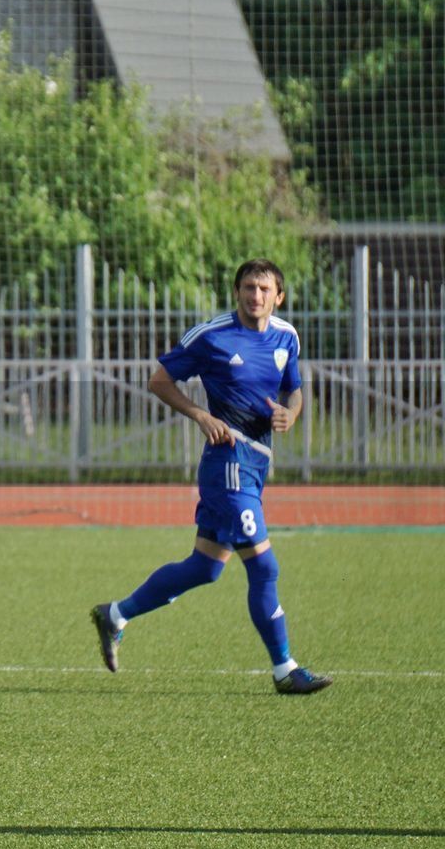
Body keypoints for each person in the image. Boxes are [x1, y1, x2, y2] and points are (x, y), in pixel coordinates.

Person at [89, 258, 332, 695]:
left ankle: (116, 614)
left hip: (256, 464)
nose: (254, 296)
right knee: (264, 566)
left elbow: (293, 388)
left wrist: (291, 414)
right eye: (247, 287)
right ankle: (285, 670)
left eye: (263, 289)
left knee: (205, 567)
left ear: (278, 296)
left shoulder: (287, 336)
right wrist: (200, 414)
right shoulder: (212, 335)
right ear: (237, 291)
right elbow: (159, 380)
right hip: (227, 465)